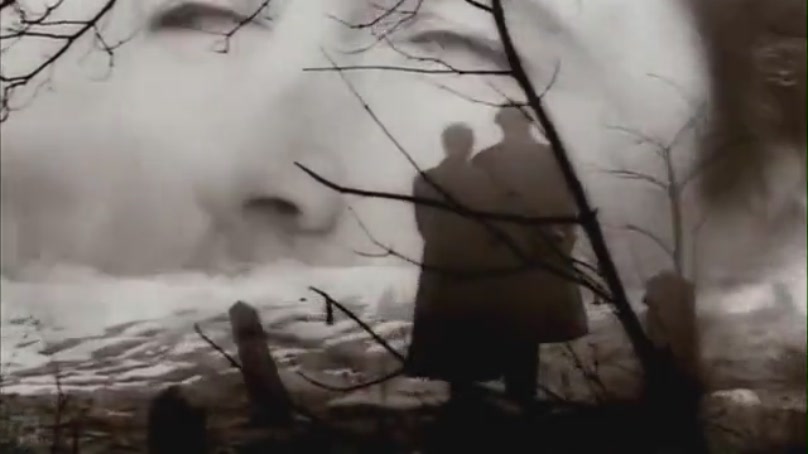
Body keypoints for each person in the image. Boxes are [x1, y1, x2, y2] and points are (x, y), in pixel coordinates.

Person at [471, 106, 589, 406]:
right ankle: (518, 392)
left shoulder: (547, 158)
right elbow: (474, 208)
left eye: (516, 124)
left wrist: (563, 239)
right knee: (516, 325)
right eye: (508, 125)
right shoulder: (488, 161)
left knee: (524, 325)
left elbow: (567, 202)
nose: (513, 130)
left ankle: (520, 392)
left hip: (536, 251)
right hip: (507, 254)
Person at [405, 123, 509, 402]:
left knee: (444, 316)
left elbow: (423, 222)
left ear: (445, 144)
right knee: (469, 317)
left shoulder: (425, 179)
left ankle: (454, 379)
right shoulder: (482, 180)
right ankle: (468, 378)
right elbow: (490, 222)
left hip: (439, 258)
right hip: (473, 259)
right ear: (469, 145)